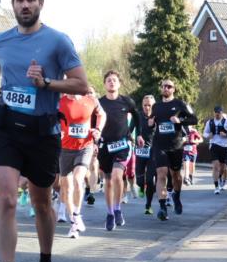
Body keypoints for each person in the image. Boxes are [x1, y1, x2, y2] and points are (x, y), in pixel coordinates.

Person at [0, 0, 87, 262]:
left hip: (43, 131)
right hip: (7, 127)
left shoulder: (57, 41)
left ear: (40, 3)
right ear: (12, 5)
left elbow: (82, 85)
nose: (24, 6)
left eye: (30, 0)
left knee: (42, 202)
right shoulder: (1, 40)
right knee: (8, 199)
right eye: (19, 1)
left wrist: (47, 83)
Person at [148, 79, 198, 221]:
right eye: (163, 86)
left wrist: (180, 121)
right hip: (160, 145)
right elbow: (152, 122)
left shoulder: (180, 104)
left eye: (169, 86)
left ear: (173, 89)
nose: (166, 88)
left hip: (175, 146)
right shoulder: (156, 106)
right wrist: (151, 123)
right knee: (161, 174)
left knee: (176, 175)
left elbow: (194, 119)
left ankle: (176, 195)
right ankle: (162, 206)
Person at [57, 86, 102, 237]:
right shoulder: (60, 102)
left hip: (85, 146)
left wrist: (98, 129)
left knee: (77, 179)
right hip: (65, 149)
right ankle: (74, 221)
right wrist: (57, 130)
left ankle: (76, 215)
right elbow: (50, 118)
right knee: (67, 188)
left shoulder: (90, 100)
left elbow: (102, 114)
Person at [97, 70, 138, 231]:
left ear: (119, 83)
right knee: (107, 181)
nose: (112, 82)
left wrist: (138, 134)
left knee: (117, 175)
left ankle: (118, 208)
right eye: (108, 80)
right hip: (105, 146)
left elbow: (137, 117)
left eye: (114, 80)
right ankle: (110, 213)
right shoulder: (99, 103)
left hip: (122, 144)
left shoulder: (126, 102)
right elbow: (93, 122)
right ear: (105, 84)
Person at [203, 105, 227, 194]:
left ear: (222, 113)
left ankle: (222, 180)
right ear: (214, 113)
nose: (218, 114)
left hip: (224, 147)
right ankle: (216, 186)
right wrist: (208, 136)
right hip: (214, 145)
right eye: (216, 113)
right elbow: (205, 133)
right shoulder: (209, 122)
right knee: (216, 166)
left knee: (223, 168)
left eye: (219, 112)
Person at [134, 95, 156, 215]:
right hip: (140, 150)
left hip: (153, 151)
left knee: (150, 179)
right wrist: (136, 136)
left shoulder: (157, 117)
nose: (147, 107)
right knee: (139, 180)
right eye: (145, 105)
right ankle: (141, 188)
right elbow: (129, 129)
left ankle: (148, 205)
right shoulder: (137, 116)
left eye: (150, 105)